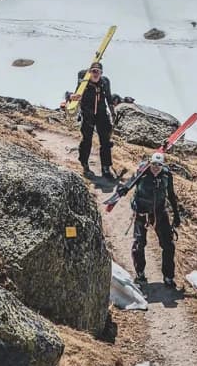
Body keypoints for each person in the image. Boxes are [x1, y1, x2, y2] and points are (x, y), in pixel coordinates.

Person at [114, 151, 182, 290]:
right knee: (139, 243)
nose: (156, 167)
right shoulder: (142, 172)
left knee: (168, 245)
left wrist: (176, 214)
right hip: (142, 212)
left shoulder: (166, 175)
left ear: (163, 165)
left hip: (159, 212)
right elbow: (131, 182)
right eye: (154, 164)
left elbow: (171, 194)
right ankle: (140, 274)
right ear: (150, 163)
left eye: (159, 165)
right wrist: (123, 189)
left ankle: (168, 277)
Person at [76, 62, 115, 178]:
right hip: (87, 114)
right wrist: (73, 98)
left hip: (102, 114)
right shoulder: (83, 84)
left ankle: (106, 167)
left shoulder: (105, 82)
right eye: (93, 71)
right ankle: (85, 164)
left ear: (101, 73)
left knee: (105, 141)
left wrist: (112, 112)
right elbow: (76, 95)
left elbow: (108, 97)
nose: (96, 73)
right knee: (86, 140)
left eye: (98, 71)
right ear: (89, 72)